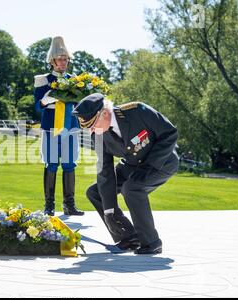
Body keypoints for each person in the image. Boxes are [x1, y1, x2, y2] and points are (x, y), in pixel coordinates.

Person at [72, 94, 179, 254]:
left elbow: (170, 133)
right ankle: (129, 237)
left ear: (105, 113)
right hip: (132, 165)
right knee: (95, 192)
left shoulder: (137, 111)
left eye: (92, 125)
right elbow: (105, 170)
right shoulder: (98, 135)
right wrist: (109, 212)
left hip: (161, 162)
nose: (90, 130)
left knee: (132, 188)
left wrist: (149, 167)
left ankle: (152, 242)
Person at [33, 36, 84, 217]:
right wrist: (47, 99)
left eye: (66, 59)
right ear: (52, 61)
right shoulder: (42, 80)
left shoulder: (75, 80)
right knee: (52, 164)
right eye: (61, 59)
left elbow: (79, 105)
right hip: (50, 128)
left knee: (70, 164)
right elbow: (38, 106)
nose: (64, 62)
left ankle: (69, 205)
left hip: (70, 127)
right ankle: (49, 206)